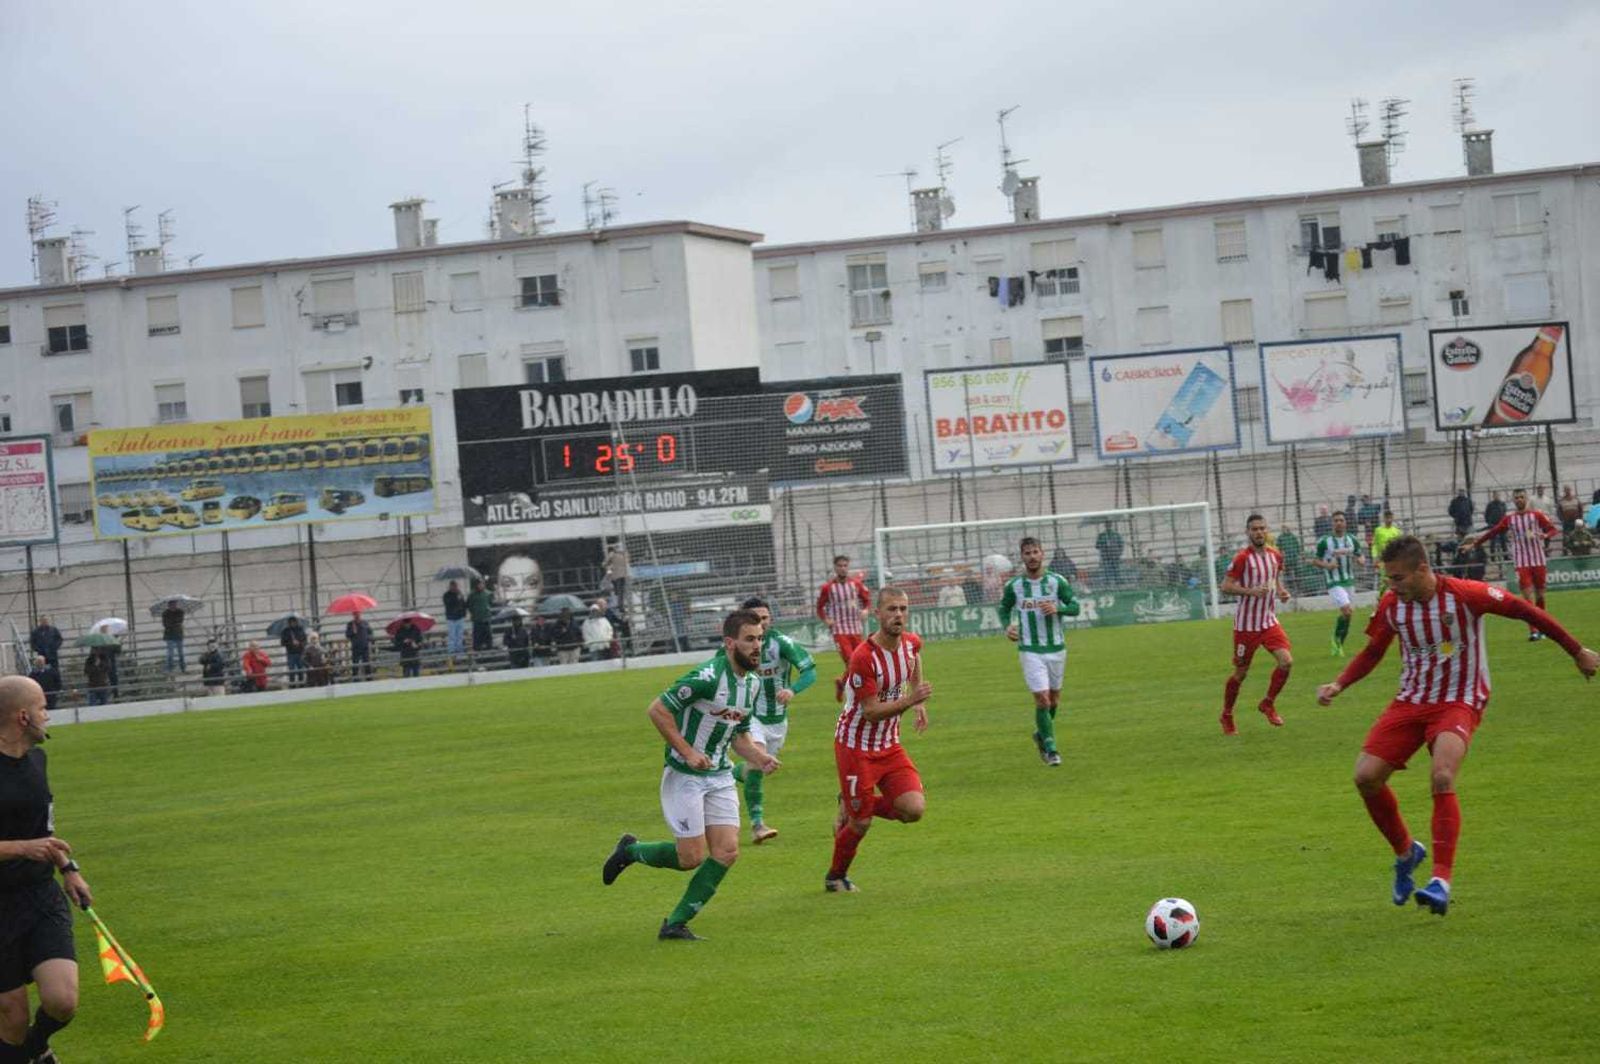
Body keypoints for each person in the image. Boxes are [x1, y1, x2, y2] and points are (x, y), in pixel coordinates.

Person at [1316, 535, 1597, 916]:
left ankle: (1440, 881)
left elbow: (1524, 610)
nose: (1392, 586)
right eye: (1389, 579)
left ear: (1422, 570)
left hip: (1460, 699)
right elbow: (1372, 652)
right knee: (1366, 777)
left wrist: (1577, 650)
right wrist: (1339, 683)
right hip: (1411, 701)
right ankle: (1406, 852)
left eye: (1398, 578)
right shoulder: (1392, 605)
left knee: (1442, 775)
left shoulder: (1465, 595)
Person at [600, 609, 779, 941]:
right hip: (685, 774)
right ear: (730, 643)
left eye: (760, 639)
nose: (757, 646)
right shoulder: (708, 676)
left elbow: (738, 734)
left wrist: (759, 756)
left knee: (727, 852)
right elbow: (658, 709)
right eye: (750, 639)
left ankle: (675, 924)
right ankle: (630, 851)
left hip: (720, 775)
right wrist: (688, 751)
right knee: (690, 858)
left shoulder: (752, 684)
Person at [0, 675, 94, 1063]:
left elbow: (46, 832)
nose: (47, 716)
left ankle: (34, 1053)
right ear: (23, 717)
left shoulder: (38, 760)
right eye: (42, 708)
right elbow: (30, 842)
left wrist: (68, 868)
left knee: (62, 1000)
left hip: (40, 896)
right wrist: (23, 848)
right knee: (13, 1017)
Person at [825, 586, 933, 893]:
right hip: (855, 746)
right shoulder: (864, 657)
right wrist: (912, 700)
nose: (898, 615)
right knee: (860, 824)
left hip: (889, 745)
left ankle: (853, 800)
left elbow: (915, 659)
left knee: (913, 810)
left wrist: (919, 702)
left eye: (902, 609)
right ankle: (835, 876)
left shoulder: (911, 643)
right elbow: (871, 712)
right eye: (891, 609)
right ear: (878, 614)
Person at [723, 597, 815, 845]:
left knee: (757, 769)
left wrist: (793, 690)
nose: (761, 624)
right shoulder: (737, 648)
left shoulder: (781, 644)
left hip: (777, 721)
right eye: (755, 618)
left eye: (764, 618)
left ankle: (724, 771)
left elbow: (810, 671)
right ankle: (757, 825)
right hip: (749, 717)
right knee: (756, 761)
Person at [999, 537, 1080, 767]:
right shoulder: (1014, 585)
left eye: (1035, 552)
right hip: (1029, 649)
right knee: (1042, 698)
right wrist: (1008, 626)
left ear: (1042, 554)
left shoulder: (1057, 581)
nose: (1032, 556)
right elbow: (1004, 608)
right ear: (1022, 557)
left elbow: (1075, 606)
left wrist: (1059, 608)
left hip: (1056, 648)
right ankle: (1051, 748)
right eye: (1027, 553)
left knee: (1054, 700)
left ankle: (1041, 733)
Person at [1218, 513, 1292, 734]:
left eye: (1262, 528)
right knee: (1241, 673)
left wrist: (1281, 591)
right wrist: (1250, 592)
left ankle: (1267, 703)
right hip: (1246, 626)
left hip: (1268, 622)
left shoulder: (1275, 555)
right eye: (1254, 529)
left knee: (1286, 662)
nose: (1259, 532)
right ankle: (1227, 714)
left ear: (1266, 530)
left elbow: (1275, 579)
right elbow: (1226, 586)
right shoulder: (1242, 558)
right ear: (1248, 532)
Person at [1466, 488, 1560, 641]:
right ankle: (1534, 631)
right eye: (1516, 498)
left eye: (1521, 497)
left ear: (1526, 498)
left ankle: (1543, 628)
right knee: (1528, 598)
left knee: (1540, 596)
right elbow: (1493, 532)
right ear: (1513, 500)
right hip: (1521, 562)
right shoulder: (1510, 519)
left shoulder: (1536, 515)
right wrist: (1475, 544)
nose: (1519, 500)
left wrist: (1544, 535)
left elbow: (1553, 530)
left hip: (1538, 560)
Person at [815, 555, 870, 702]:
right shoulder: (828, 588)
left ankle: (842, 683)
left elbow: (867, 600)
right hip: (839, 630)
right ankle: (858, 692)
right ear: (835, 567)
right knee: (852, 661)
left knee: (860, 661)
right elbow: (820, 607)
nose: (843, 568)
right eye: (840, 565)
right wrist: (826, 619)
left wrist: (865, 610)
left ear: (848, 567)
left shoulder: (856, 584)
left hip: (856, 629)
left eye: (845, 565)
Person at [1311, 510, 1365, 657]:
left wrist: (1361, 561)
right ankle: (1336, 641)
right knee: (1347, 610)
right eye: (1336, 520)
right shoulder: (1324, 541)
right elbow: (1315, 560)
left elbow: (1360, 556)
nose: (1339, 523)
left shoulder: (1352, 539)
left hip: (1349, 580)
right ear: (1332, 523)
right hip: (1334, 582)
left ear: (1345, 522)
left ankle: (1338, 643)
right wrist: (1327, 566)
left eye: (1341, 520)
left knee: (1348, 615)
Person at [1094, 523, 1125, 587]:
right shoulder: (1103, 535)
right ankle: (1112, 583)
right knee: (1111, 570)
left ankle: (1114, 583)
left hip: (1111, 556)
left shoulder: (1114, 535)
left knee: (1112, 570)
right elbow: (1097, 546)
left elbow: (1121, 545)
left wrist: (1118, 552)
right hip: (1109, 556)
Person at [467, 579, 494, 653]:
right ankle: (477, 650)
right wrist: (474, 612)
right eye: (479, 584)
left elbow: (491, 602)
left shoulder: (487, 593)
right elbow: (469, 605)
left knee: (488, 635)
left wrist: (488, 610)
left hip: (486, 618)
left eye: (482, 584)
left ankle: (489, 648)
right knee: (477, 636)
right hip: (477, 619)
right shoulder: (472, 595)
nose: (481, 585)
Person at [345, 611, 373, 682]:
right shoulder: (350, 624)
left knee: (367, 663)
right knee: (355, 664)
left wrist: (368, 639)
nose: (357, 615)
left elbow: (370, 632)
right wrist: (353, 631)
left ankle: (369, 679)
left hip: (364, 646)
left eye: (358, 614)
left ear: (360, 614)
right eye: (355, 614)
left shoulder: (365, 622)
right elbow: (347, 635)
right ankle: (355, 679)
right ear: (353, 615)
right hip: (356, 647)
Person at [280, 615, 307, 686]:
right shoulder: (285, 631)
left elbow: (305, 640)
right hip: (291, 653)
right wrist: (291, 643)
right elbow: (282, 643)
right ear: (289, 623)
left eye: (294, 622)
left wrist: (299, 643)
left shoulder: (301, 629)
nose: (293, 623)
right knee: (291, 670)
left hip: (300, 652)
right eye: (291, 622)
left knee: (300, 669)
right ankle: (292, 685)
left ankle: (301, 684)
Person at [442, 581, 467, 657]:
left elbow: (463, 604)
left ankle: (460, 652)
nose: (454, 587)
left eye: (455, 586)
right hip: (451, 618)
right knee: (452, 636)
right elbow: (449, 604)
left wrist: (463, 613)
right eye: (452, 586)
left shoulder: (460, 594)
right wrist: (457, 598)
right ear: (450, 586)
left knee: (460, 636)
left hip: (459, 617)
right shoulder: (446, 595)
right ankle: (452, 652)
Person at [1483, 491, 1508, 562]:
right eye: (1495, 495)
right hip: (1493, 525)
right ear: (1493, 496)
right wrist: (1489, 523)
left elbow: (1504, 513)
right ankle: (1493, 558)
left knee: (1503, 541)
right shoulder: (1490, 505)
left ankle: (1506, 557)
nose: (1497, 496)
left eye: (1498, 495)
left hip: (1501, 525)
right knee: (1492, 542)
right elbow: (1486, 515)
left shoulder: (1502, 504)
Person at [161, 601, 186, 673]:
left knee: (181, 653)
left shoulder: (180, 612)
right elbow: (165, 624)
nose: (173, 606)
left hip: (178, 634)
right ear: (168, 605)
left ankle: (183, 667)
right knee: (170, 654)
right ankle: (169, 668)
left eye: (174, 604)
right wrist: (174, 624)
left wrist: (172, 623)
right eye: (171, 605)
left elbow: (179, 621)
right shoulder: (165, 613)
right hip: (169, 635)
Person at [603, 542, 629, 608]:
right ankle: (620, 605)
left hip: (615, 576)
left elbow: (605, 564)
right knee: (620, 591)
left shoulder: (613, 555)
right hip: (622, 575)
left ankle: (619, 604)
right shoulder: (624, 555)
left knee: (618, 591)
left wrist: (607, 565)